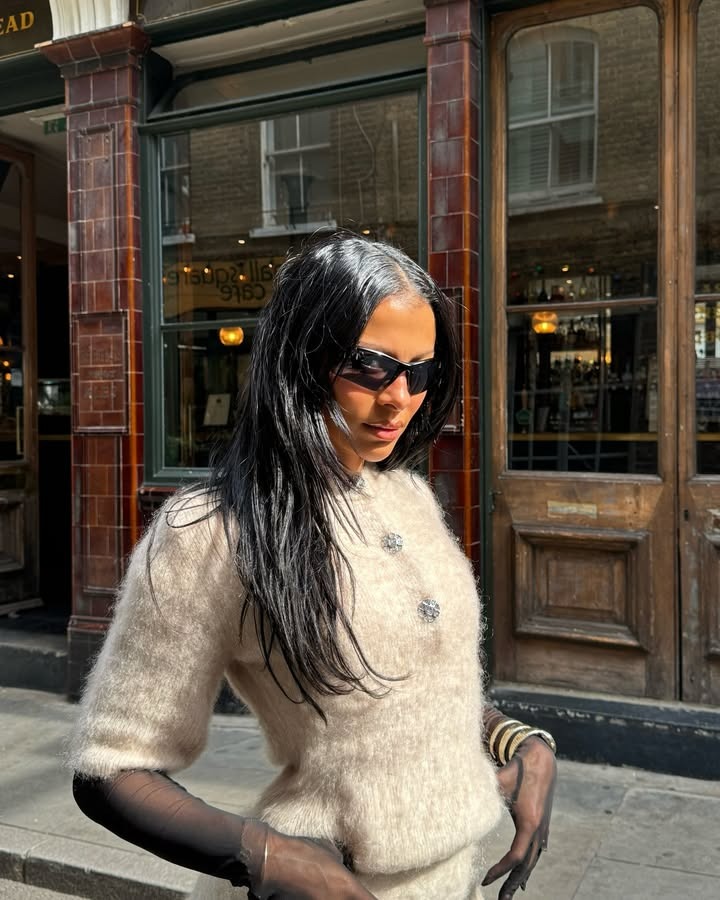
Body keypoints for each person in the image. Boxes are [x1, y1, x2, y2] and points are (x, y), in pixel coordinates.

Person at [68, 231, 557, 900]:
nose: (399, 399)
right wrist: (264, 855)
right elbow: (112, 765)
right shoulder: (210, 530)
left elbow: (408, 682)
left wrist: (517, 742)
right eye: (371, 365)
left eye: (422, 372)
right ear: (305, 358)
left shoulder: (408, 494)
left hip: (456, 877)